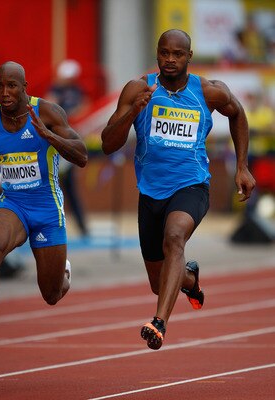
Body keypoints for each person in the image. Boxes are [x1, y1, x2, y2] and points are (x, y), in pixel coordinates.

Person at [101, 29, 256, 350]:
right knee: (160, 284)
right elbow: (107, 144)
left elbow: (238, 114)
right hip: (150, 192)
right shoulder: (139, 88)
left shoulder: (209, 91)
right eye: (164, 53)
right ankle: (189, 278)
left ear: (189, 57)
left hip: (191, 185)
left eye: (177, 54)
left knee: (175, 237)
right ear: (157, 54)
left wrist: (242, 165)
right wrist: (133, 111)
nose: (170, 60)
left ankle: (159, 322)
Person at [0, 61, 88, 307]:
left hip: (47, 208)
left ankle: (63, 272)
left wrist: (49, 136)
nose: (4, 93)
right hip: (13, 203)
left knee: (51, 294)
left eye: (11, 86)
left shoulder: (47, 113)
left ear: (24, 87)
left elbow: (82, 156)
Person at [46, 59, 90, 236]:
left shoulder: (76, 90)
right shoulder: (55, 90)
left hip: (70, 140)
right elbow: (51, 107)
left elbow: (84, 106)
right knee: (52, 184)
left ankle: (81, 226)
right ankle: (53, 222)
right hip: (58, 141)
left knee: (69, 186)